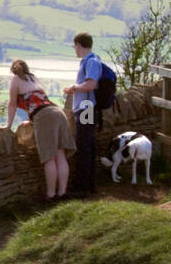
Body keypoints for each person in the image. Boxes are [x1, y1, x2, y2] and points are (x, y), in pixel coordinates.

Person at [8, 59, 74, 200]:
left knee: (49, 157)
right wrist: (32, 121)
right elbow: (39, 102)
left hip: (44, 116)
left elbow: (12, 104)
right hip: (57, 112)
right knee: (60, 155)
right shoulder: (33, 78)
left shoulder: (15, 80)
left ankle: (51, 195)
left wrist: (8, 126)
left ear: (13, 71)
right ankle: (62, 193)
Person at [63, 32, 101, 197]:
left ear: (78, 44)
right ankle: (88, 185)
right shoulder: (90, 61)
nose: (75, 50)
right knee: (87, 144)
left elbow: (91, 84)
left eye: (75, 46)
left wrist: (74, 87)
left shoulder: (91, 61)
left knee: (84, 146)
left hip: (86, 107)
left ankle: (83, 187)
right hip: (86, 106)